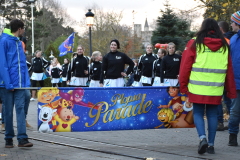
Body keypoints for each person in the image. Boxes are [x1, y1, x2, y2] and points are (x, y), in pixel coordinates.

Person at [179, 18, 236, 154]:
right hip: (216, 89)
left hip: (197, 87)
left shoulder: (195, 43)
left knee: (198, 112)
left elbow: (185, 67)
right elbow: (229, 70)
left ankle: (202, 138)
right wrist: (231, 91)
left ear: (202, 28)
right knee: (212, 114)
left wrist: (183, 86)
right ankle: (211, 145)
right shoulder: (224, 46)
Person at [0, 19, 33, 148]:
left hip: (20, 84)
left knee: (20, 109)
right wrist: (8, 84)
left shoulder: (19, 43)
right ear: (19, 29)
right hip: (6, 85)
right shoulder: (3, 41)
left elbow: (22, 65)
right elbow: (2, 64)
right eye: (23, 29)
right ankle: (9, 138)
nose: (24, 31)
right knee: (7, 111)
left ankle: (22, 138)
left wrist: (26, 82)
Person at [216, 21, 235, 131]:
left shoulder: (222, 41)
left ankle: (219, 122)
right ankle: (233, 122)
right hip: (231, 74)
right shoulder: (234, 39)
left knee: (218, 99)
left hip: (220, 74)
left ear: (220, 29)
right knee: (229, 100)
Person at [228, 11, 240, 146]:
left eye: (233, 22)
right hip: (236, 82)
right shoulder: (233, 39)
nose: (231, 24)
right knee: (235, 111)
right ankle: (232, 137)